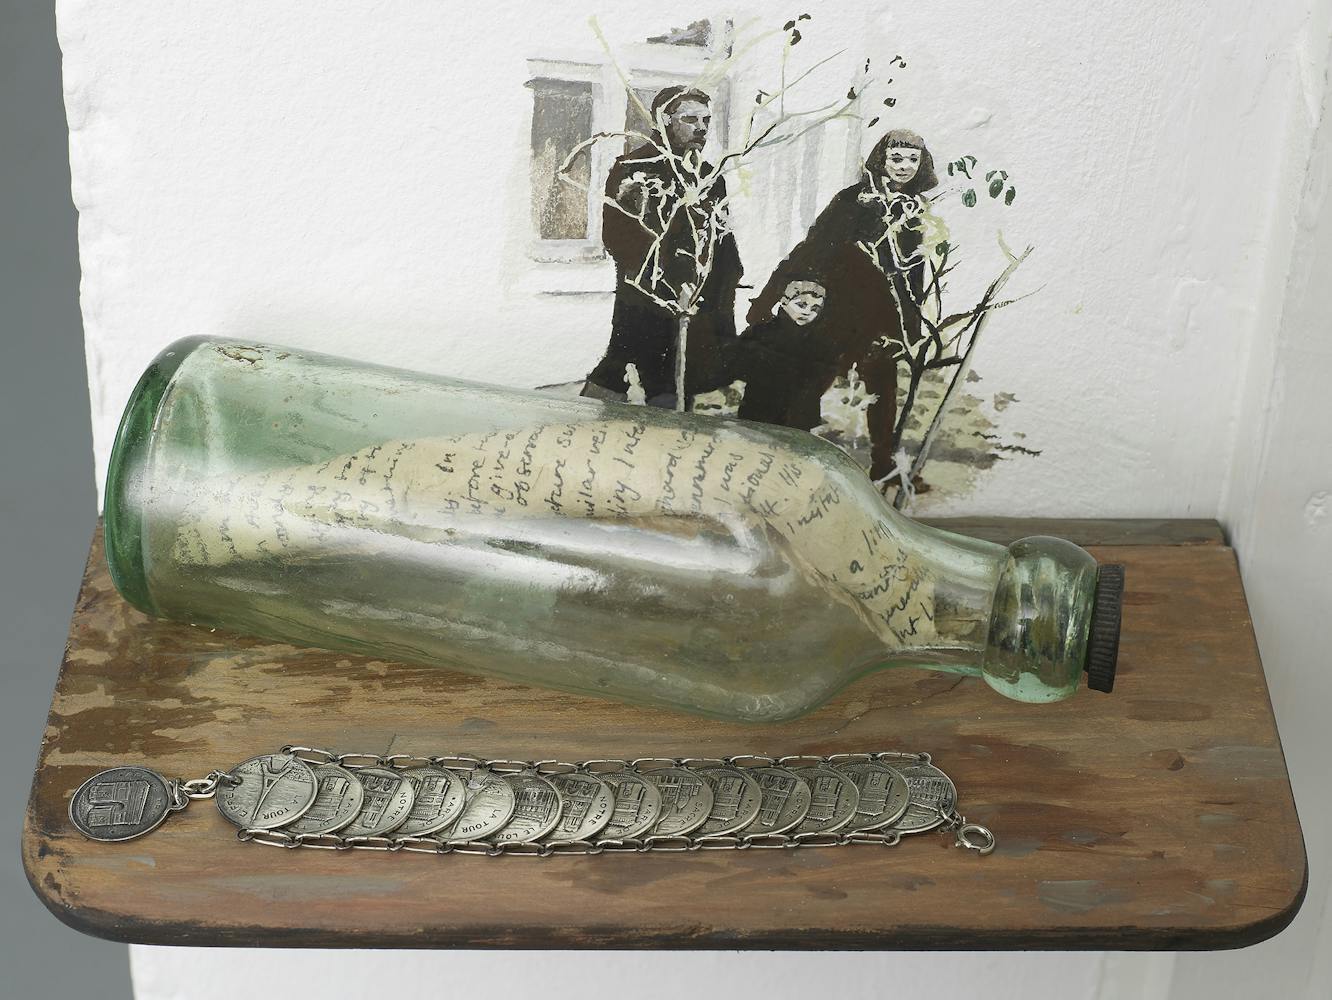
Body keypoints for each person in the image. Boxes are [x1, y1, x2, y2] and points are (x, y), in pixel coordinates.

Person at [746, 129, 939, 480]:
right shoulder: (853, 200)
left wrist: (910, 324)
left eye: (913, 159)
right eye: (896, 158)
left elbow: (913, 272)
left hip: (884, 317)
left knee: (883, 384)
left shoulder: (914, 211)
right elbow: (811, 248)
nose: (904, 166)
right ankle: (786, 454)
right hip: (840, 310)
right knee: (813, 378)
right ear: (881, 159)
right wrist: (767, 299)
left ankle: (883, 463)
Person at [583, 86, 744, 407]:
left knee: (681, 375)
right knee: (627, 365)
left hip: (696, 299)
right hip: (647, 293)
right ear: (664, 121)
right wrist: (668, 274)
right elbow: (618, 236)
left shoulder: (709, 176)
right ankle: (584, 419)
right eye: (690, 119)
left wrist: (724, 278)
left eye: (706, 120)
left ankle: (669, 424)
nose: (701, 128)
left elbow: (721, 235)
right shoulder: (633, 169)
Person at [719, 279, 843, 430]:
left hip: (798, 416)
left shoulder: (819, 344)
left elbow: (825, 374)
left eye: (815, 308)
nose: (807, 312)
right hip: (759, 410)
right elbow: (738, 364)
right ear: (784, 302)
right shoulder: (762, 332)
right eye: (801, 305)